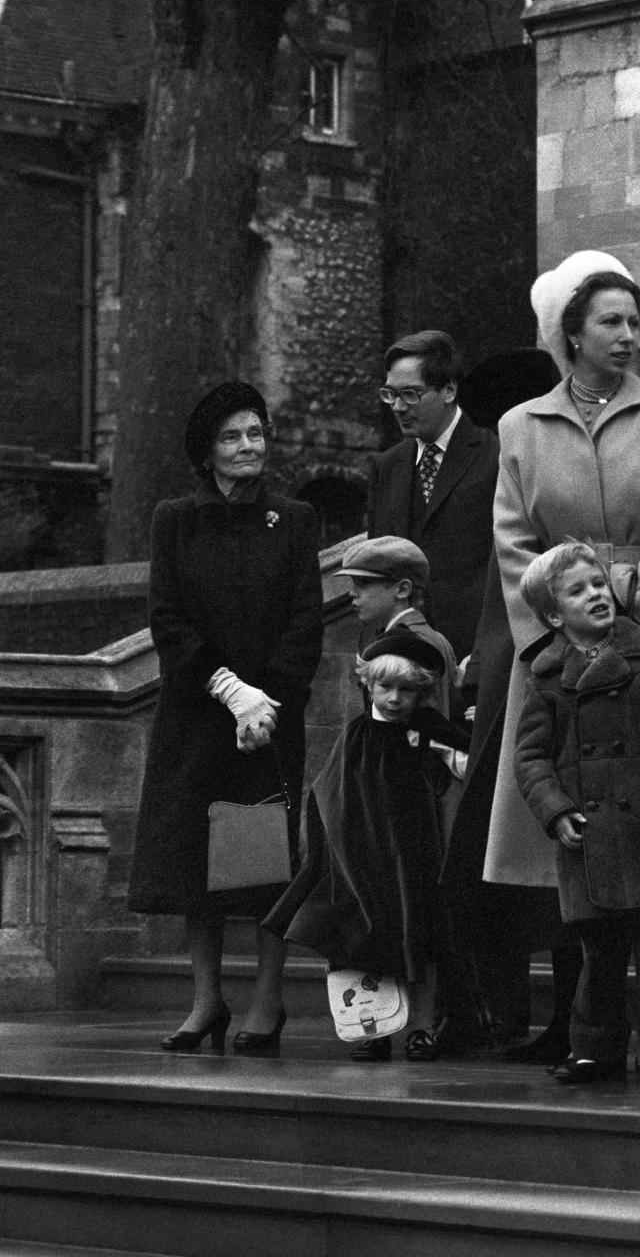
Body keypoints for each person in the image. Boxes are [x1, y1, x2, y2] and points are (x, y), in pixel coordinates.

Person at [482, 250, 640, 1064]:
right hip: (553, 655)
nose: (626, 336)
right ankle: (587, 1027)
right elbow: (512, 541)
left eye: (633, 322)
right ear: (570, 334)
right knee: (568, 837)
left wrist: (621, 620)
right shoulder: (521, 426)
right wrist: (555, 635)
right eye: (609, 322)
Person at [128, 381, 325, 1055]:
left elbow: (305, 618)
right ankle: (206, 999)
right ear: (207, 451)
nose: (250, 447)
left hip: (269, 718)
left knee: (265, 859)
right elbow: (167, 618)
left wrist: (266, 700)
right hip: (200, 712)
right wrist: (226, 689)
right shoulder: (175, 519)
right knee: (195, 861)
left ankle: (268, 1001)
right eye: (234, 437)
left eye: (257, 434)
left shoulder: (293, 520)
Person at [514, 542, 640, 1086]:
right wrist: (555, 810)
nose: (595, 594)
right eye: (577, 590)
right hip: (587, 833)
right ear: (552, 615)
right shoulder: (546, 675)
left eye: (598, 583)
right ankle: (595, 1046)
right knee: (598, 950)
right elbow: (530, 756)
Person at [263, 629, 471, 1062]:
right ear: (368, 685)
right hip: (363, 856)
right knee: (364, 940)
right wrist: (326, 848)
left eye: (407, 690)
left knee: (419, 937)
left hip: (415, 855)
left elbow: (457, 769)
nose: (395, 698)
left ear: (422, 692)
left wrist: (440, 749)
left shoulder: (427, 729)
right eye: (386, 687)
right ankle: (372, 1027)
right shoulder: (357, 734)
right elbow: (330, 791)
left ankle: (420, 1027)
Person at [366, 330, 499, 662]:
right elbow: (374, 572)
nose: (397, 407)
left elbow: (506, 570)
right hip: (397, 664)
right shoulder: (387, 467)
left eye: (410, 394)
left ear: (449, 390)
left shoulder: (496, 456)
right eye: (390, 394)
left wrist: (486, 657)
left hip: (471, 662)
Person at [339, 534, 459, 716]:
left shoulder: (412, 643)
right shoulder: (403, 635)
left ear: (402, 590)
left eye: (363, 583)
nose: (352, 593)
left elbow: (431, 724)